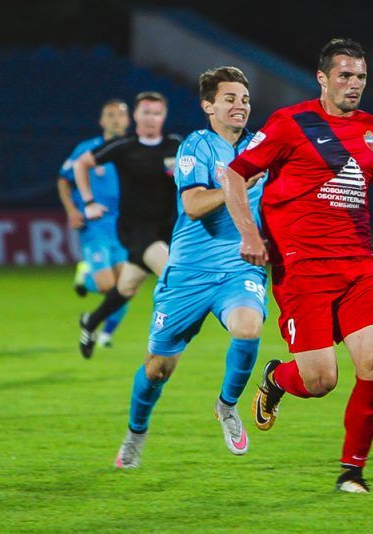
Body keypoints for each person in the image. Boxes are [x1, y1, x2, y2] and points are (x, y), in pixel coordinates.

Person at [222, 38, 373, 493]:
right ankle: (277, 378)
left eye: (361, 77)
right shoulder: (290, 123)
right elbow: (236, 174)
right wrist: (248, 233)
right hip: (301, 269)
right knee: (321, 380)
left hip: (359, 265)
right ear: (322, 78)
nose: (354, 84)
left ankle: (352, 471)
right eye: (345, 75)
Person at [115, 66, 267, 467]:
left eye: (245, 99)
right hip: (188, 273)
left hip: (239, 267)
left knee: (249, 327)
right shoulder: (196, 146)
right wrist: (236, 185)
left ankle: (227, 406)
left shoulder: (262, 147)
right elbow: (194, 205)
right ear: (208, 106)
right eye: (229, 99)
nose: (240, 106)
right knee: (158, 369)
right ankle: (136, 432)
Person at [74, 92, 182, 358]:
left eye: (156, 113)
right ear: (136, 115)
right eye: (146, 112)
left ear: (164, 116)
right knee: (175, 275)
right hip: (135, 230)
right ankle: (166, 343)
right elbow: (82, 163)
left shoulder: (176, 145)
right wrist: (88, 202)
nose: (151, 118)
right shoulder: (124, 146)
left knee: (126, 288)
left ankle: (90, 322)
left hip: (166, 229)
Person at [57, 99, 130, 348]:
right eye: (110, 115)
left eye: (120, 115)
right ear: (101, 121)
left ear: (128, 120)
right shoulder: (86, 150)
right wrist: (71, 210)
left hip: (124, 227)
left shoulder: (133, 149)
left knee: (125, 287)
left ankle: (106, 334)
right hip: (95, 225)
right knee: (107, 285)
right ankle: (86, 276)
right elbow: (63, 181)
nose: (115, 119)